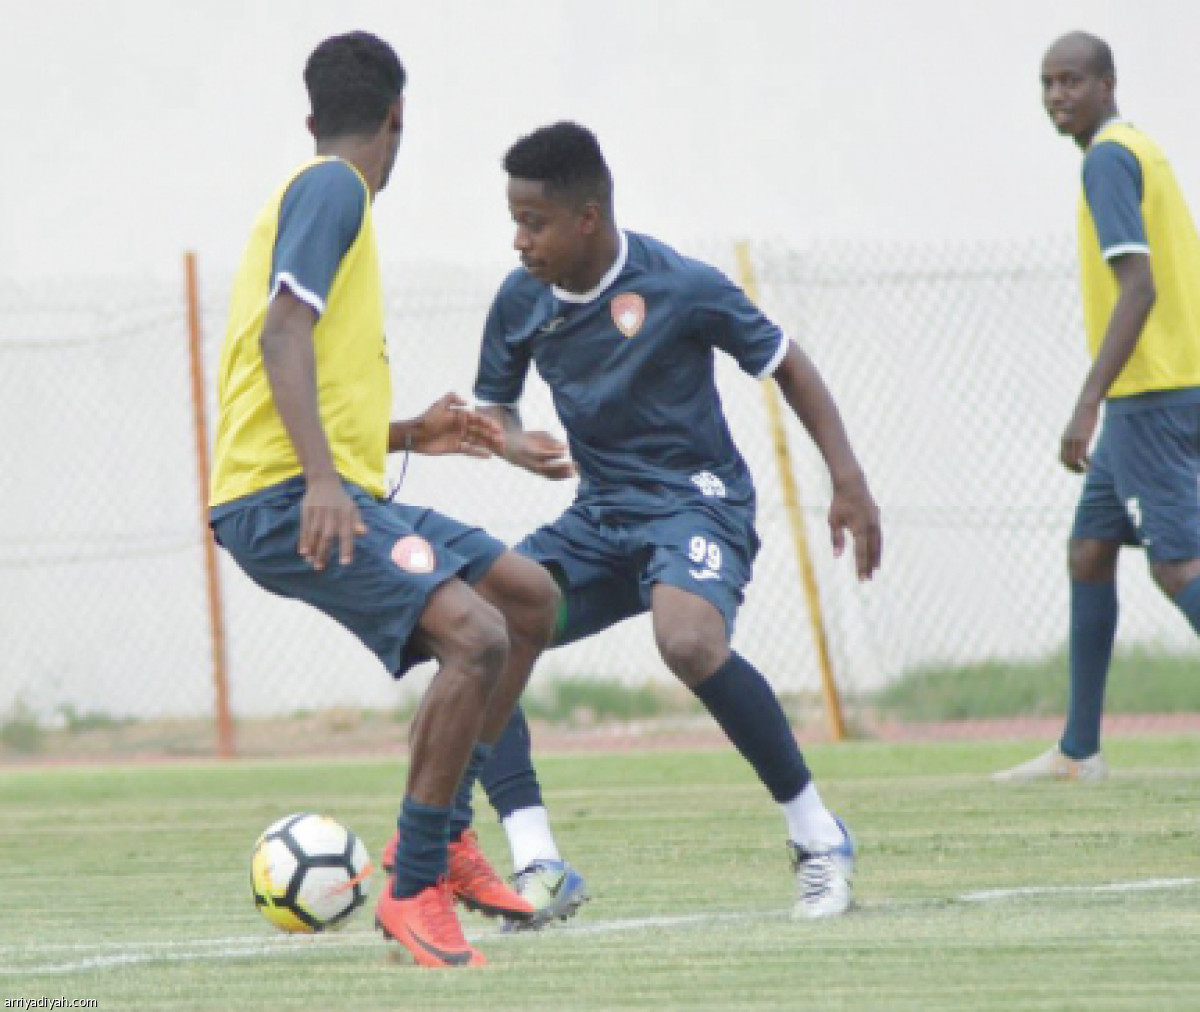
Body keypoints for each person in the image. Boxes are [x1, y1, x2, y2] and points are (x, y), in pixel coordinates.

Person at [208, 32, 563, 968]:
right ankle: (413, 889)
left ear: (313, 117)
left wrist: (406, 433)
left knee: (526, 598)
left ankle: (441, 839)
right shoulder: (334, 189)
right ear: (397, 115)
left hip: (334, 482)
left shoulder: (326, 196)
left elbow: (307, 366)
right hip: (282, 496)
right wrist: (326, 480)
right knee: (474, 637)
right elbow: (284, 335)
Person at [470, 121, 882, 919]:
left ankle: (819, 837)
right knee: (478, 629)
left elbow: (788, 364)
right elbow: (496, 407)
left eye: (533, 222)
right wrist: (512, 443)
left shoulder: (682, 286)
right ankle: (539, 865)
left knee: (688, 641)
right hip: (599, 517)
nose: (519, 241)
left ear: (587, 217)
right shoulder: (521, 300)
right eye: (514, 221)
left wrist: (848, 480)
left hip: (697, 502)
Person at [995, 33, 1200, 784]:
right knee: (1089, 550)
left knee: (1177, 565)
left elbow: (1138, 288)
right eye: (1047, 83)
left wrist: (1087, 405)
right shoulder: (1141, 149)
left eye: (1072, 81)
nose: (1057, 96)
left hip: (1152, 394)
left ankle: (1080, 750)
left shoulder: (1109, 159)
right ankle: (1079, 752)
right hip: (1161, 389)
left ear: (1107, 84)